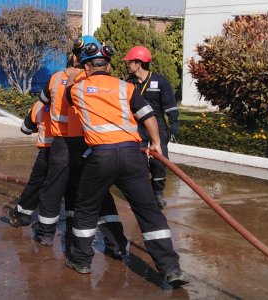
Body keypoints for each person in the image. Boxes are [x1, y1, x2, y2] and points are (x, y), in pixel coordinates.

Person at [64, 41, 188, 288]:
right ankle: (171, 269)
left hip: (101, 157)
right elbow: (148, 115)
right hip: (132, 156)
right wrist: (156, 143)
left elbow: (68, 94)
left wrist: (73, 75)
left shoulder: (79, 89)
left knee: (87, 208)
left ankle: (81, 261)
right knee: (149, 212)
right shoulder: (126, 87)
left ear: (88, 67)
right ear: (108, 66)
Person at [32, 35, 128, 259]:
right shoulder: (96, 79)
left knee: (52, 190)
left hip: (62, 144)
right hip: (89, 143)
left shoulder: (57, 78)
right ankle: (116, 243)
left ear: (74, 56)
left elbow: (43, 101)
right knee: (99, 194)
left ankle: (45, 235)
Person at [123, 46, 180, 209]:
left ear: (138, 63)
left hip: (158, 127)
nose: (127, 64)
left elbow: (170, 106)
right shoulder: (129, 84)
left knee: (159, 163)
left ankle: (157, 193)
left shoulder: (160, 81)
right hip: (137, 127)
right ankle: (142, 194)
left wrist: (174, 125)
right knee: (138, 162)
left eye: (130, 62)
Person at [2, 99, 53, 227]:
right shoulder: (71, 101)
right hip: (71, 150)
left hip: (47, 151)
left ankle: (21, 215)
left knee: (36, 183)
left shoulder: (39, 105)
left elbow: (26, 129)